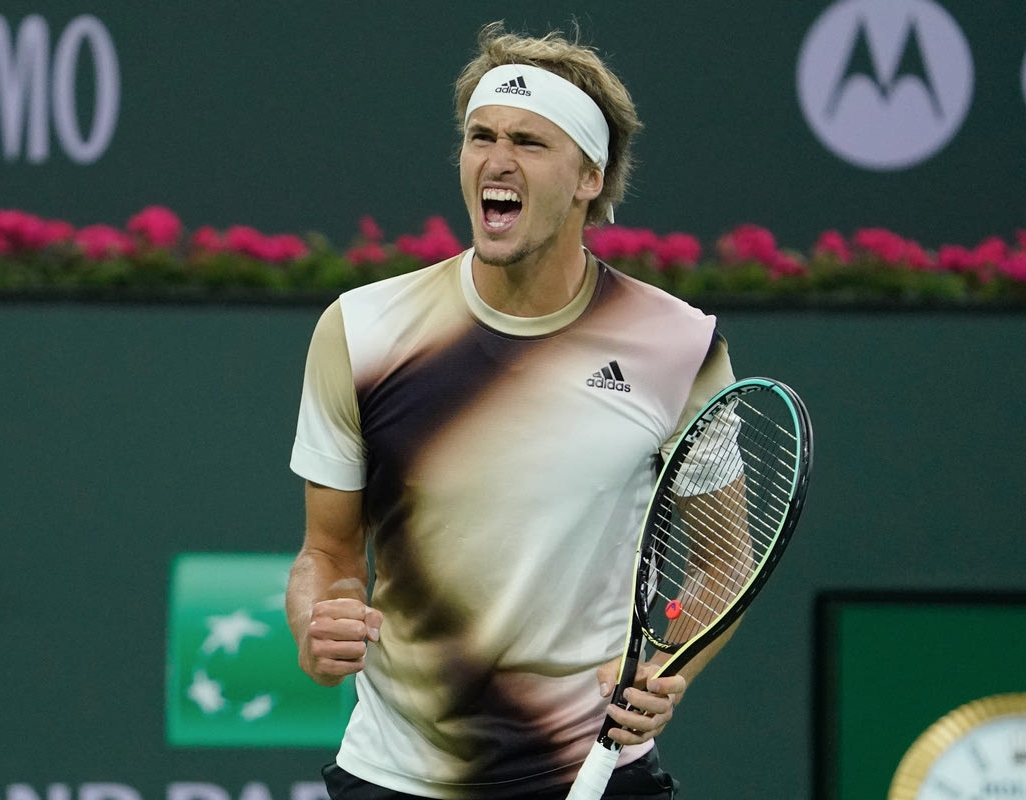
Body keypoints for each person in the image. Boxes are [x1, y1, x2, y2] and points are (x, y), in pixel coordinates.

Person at [286, 21, 737, 800]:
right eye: (481, 136)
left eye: (529, 142)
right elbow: (326, 554)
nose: (497, 161)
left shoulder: (677, 345)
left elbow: (724, 559)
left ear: (589, 176)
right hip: (397, 775)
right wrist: (316, 621)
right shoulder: (362, 332)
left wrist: (669, 666)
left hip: (598, 769)